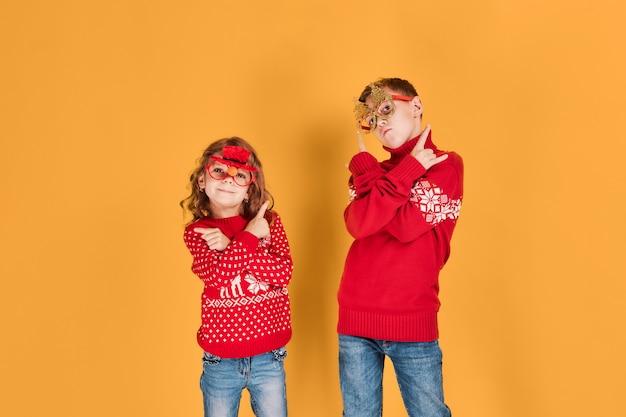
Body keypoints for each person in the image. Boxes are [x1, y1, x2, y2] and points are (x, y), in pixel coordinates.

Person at [337, 78, 463, 417]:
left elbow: (406, 226)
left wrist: (387, 176)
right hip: (355, 320)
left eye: (386, 109)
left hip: (411, 318)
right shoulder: (369, 173)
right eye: (371, 119)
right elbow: (358, 225)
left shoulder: (445, 164)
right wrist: (407, 172)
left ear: (416, 106)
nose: (380, 123)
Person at [180, 137, 294, 417]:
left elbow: (283, 273)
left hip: (269, 356)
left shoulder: (270, 222)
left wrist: (235, 244)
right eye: (219, 170)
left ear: (248, 191)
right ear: (202, 181)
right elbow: (218, 277)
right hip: (221, 360)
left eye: (240, 175)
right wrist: (249, 237)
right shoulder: (197, 232)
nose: (229, 180)